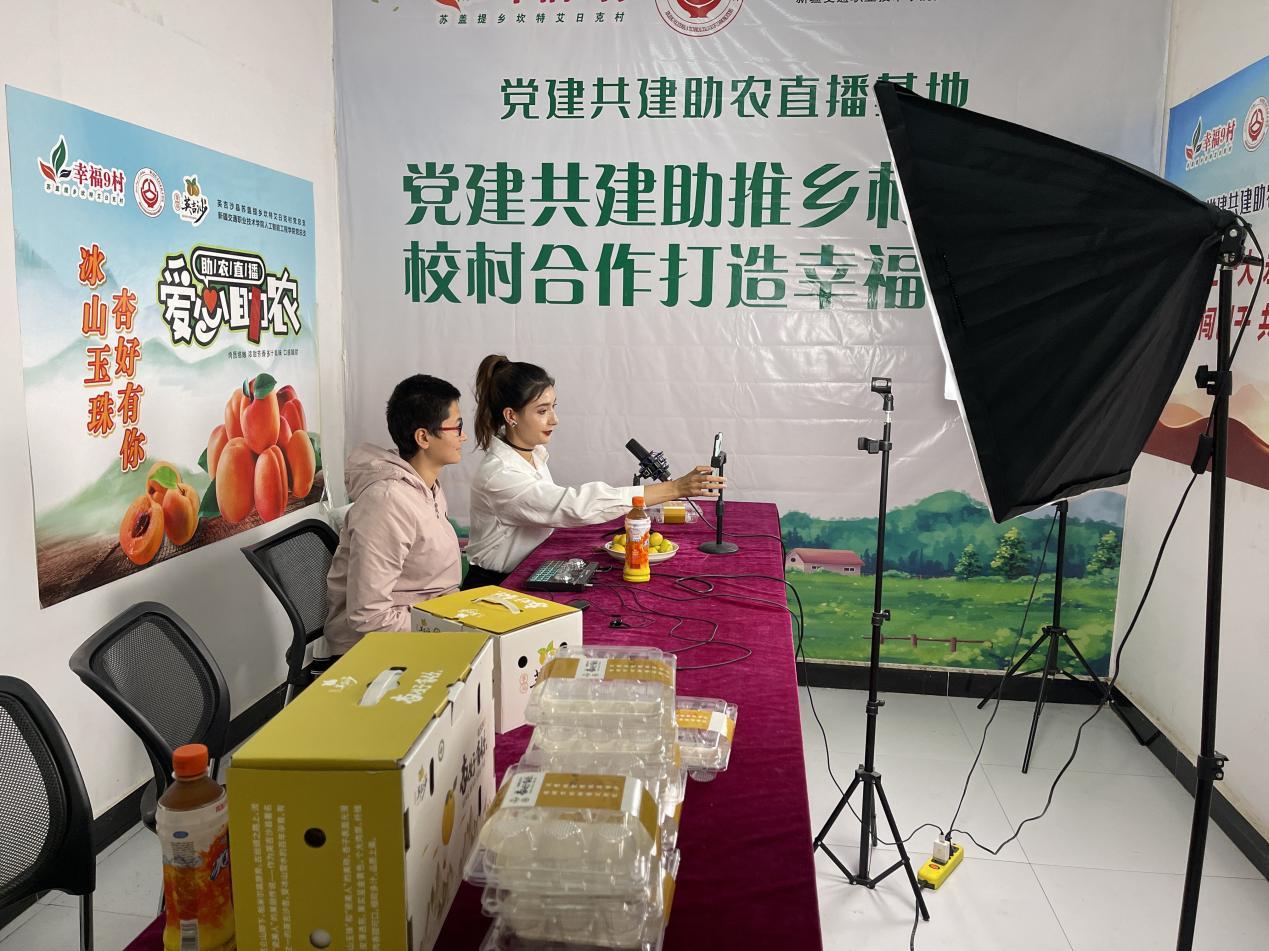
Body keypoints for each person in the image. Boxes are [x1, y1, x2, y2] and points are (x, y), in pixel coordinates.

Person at [463, 354, 725, 588]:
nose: (554, 419)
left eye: (554, 407)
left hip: (529, 571)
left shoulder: (532, 454)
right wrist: (674, 488)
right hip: (496, 587)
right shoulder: (500, 475)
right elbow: (574, 506)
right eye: (542, 411)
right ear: (511, 416)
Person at [324, 374, 467, 657]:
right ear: (423, 437)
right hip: (378, 649)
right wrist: (451, 628)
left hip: (429, 624)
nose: (464, 436)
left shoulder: (426, 487)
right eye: (457, 427)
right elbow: (370, 616)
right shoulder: (387, 502)